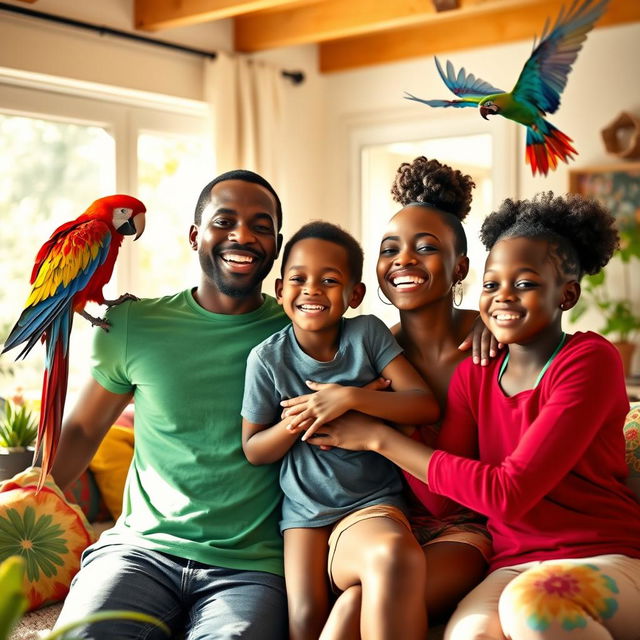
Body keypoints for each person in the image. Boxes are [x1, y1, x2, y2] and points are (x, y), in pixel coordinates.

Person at [312, 192, 640, 639]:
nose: (503, 297)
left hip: (601, 555)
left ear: (567, 294)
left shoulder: (589, 360)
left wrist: (376, 437)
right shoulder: (476, 374)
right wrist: (396, 418)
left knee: (536, 610)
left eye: (524, 284)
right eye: (493, 285)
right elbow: (444, 502)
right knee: (467, 634)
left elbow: (509, 494)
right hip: (512, 564)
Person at [51, 170, 290, 639]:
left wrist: (475, 326)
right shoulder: (132, 324)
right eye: (225, 221)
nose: (243, 235)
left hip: (252, 566)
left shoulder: (305, 334)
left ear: (276, 244)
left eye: (261, 226)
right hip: (138, 551)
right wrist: (32, 497)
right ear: (195, 236)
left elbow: (393, 345)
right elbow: (81, 431)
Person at [241, 221, 439, 640]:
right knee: (306, 618)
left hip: (372, 500)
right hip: (304, 514)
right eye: (298, 279)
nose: (312, 289)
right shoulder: (267, 358)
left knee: (386, 560)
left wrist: (348, 398)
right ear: (280, 290)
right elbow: (255, 449)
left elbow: (423, 403)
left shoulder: (366, 334)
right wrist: (304, 418)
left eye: (329, 280)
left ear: (354, 294)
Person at [321, 157, 493, 636]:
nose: (404, 260)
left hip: (463, 529)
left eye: (426, 248)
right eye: (390, 248)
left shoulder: (492, 346)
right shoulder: (366, 356)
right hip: (380, 520)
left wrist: (376, 430)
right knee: (350, 609)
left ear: (460, 266)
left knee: (355, 612)